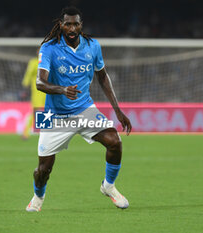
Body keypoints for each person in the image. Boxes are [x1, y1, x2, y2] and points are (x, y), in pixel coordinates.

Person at [26, 6, 132, 212]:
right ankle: (37, 198)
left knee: (115, 142)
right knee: (43, 170)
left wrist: (117, 110)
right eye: (68, 24)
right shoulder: (49, 48)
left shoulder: (92, 46)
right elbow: (40, 83)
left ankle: (108, 186)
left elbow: (102, 76)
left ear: (81, 25)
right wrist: (62, 89)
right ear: (61, 25)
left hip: (84, 109)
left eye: (76, 23)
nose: (72, 28)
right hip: (52, 114)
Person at [21, 50, 46, 139]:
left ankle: (45, 132)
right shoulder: (33, 63)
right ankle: (25, 132)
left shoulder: (50, 62)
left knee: (48, 111)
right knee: (35, 111)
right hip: (37, 91)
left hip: (49, 90)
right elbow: (28, 75)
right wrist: (25, 88)